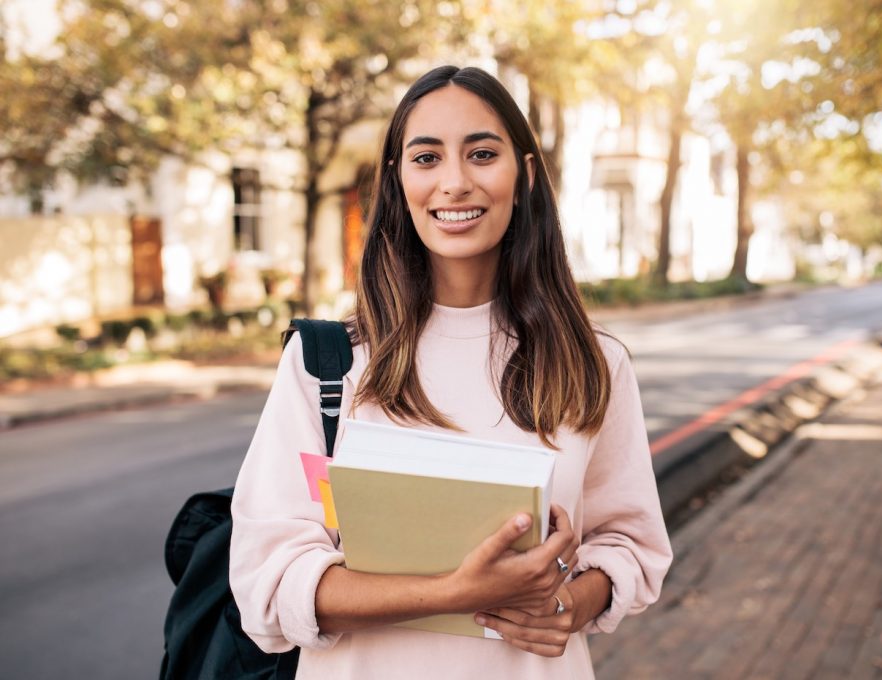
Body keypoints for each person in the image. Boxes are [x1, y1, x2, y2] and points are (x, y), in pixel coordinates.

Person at [230, 65, 672, 679]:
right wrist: (455, 592)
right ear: (398, 179)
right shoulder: (326, 364)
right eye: (427, 157)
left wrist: (568, 604)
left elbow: (628, 545)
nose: (455, 183)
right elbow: (267, 583)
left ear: (525, 176)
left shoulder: (592, 363)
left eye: (482, 154)